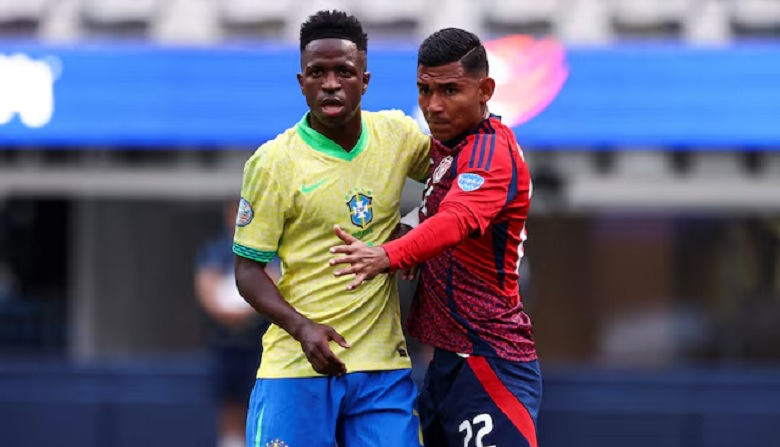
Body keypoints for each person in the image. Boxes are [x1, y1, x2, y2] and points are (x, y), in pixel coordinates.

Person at [329, 28, 541, 447]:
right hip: (448, 360)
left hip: (490, 359)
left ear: (486, 90)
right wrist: (408, 228)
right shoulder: (450, 150)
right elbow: (437, 211)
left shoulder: (490, 151)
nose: (434, 106)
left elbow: (456, 220)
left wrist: (386, 255)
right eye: (425, 90)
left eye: (449, 90)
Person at [232, 10, 432, 447]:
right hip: (298, 367)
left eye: (344, 71)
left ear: (365, 79)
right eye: (317, 73)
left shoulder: (398, 135)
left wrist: (411, 228)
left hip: (381, 368)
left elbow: (451, 181)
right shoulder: (273, 163)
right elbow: (247, 272)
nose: (330, 83)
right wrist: (302, 327)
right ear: (301, 81)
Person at [195, 202, 276, 447]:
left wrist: (250, 309)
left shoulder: (267, 249)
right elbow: (206, 286)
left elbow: (274, 281)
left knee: (260, 399)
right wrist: (225, 313)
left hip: (259, 343)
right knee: (229, 402)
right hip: (224, 342)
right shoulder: (215, 250)